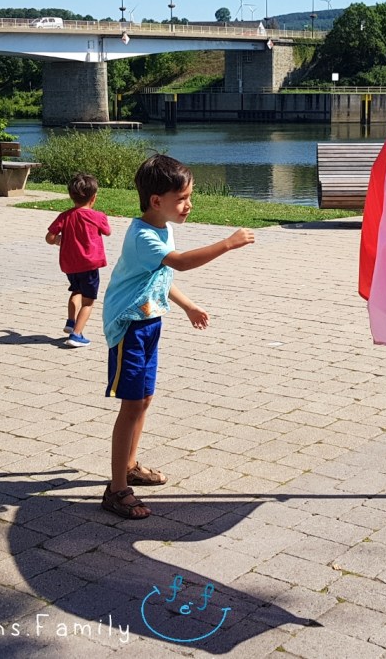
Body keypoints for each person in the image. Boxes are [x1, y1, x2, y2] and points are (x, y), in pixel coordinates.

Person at [100, 154, 254, 519]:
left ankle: (130, 465)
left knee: (145, 399)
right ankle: (116, 488)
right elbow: (180, 262)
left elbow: (160, 279)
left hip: (149, 323)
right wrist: (228, 243)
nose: (189, 205)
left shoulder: (163, 227)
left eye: (190, 196)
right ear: (156, 201)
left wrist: (188, 305)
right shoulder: (143, 236)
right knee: (131, 405)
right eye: (182, 198)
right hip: (129, 329)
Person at [45, 173, 112, 348]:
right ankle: (76, 335)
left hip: (70, 265)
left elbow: (49, 237)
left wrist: (58, 239)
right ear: (94, 197)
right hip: (89, 265)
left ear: (71, 196)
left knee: (76, 290)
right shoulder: (98, 216)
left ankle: (70, 321)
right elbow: (107, 231)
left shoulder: (64, 216)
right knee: (88, 302)